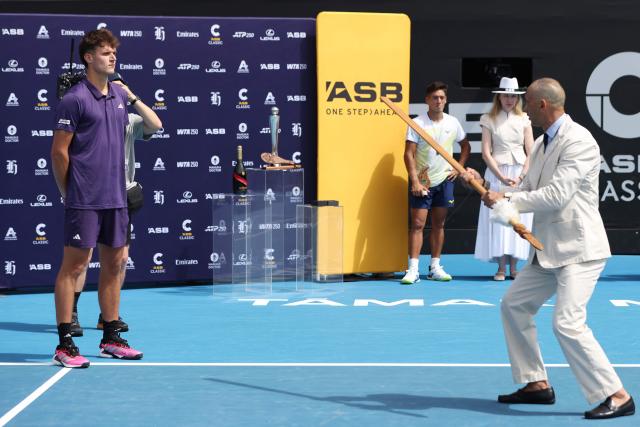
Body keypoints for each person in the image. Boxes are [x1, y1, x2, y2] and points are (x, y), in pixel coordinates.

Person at [462, 78, 634, 420]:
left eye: (527, 102)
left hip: (580, 249)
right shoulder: (541, 144)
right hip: (547, 251)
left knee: (567, 323)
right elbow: (525, 189)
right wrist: (484, 187)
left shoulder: (579, 141)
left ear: (543, 105)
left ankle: (617, 394)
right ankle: (535, 384)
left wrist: (506, 198)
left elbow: (556, 196)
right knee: (513, 305)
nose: (522, 108)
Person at [51, 29, 143, 368]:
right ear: (89, 57)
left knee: (115, 265)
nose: (112, 57)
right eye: (105, 53)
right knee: (74, 267)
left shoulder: (119, 97)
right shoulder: (74, 99)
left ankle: (111, 337)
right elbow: (59, 153)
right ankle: (64, 344)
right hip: (84, 199)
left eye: (113, 52)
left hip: (116, 198)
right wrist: (70, 192)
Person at [69, 75, 162, 337]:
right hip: (91, 196)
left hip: (122, 199)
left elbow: (155, 124)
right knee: (83, 259)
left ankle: (107, 315)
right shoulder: (90, 117)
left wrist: (132, 97)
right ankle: (72, 313)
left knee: (119, 260)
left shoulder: (129, 121)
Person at [401, 81, 470, 284]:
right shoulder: (417, 123)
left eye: (441, 98)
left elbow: (465, 147)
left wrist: (459, 168)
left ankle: (434, 267)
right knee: (417, 224)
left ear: (445, 100)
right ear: (427, 100)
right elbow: (408, 154)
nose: (438, 101)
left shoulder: (453, 122)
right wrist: (414, 181)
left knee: (439, 224)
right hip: (422, 182)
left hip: (444, 181)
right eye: (434, 98)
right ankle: (413, 269)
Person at [474, 77, 534, 281]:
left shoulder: (524, 118)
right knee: (499, 215)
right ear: (499, 97)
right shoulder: (488, 119)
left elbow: (531, 151)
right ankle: (500, 267)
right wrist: (501, 176)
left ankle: (515, 266)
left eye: (513, 96)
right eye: (506, 95)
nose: (509, 100)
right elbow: (485, 153)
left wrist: (522, 175)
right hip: (497, 172)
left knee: (517, 215)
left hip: (519, 173)